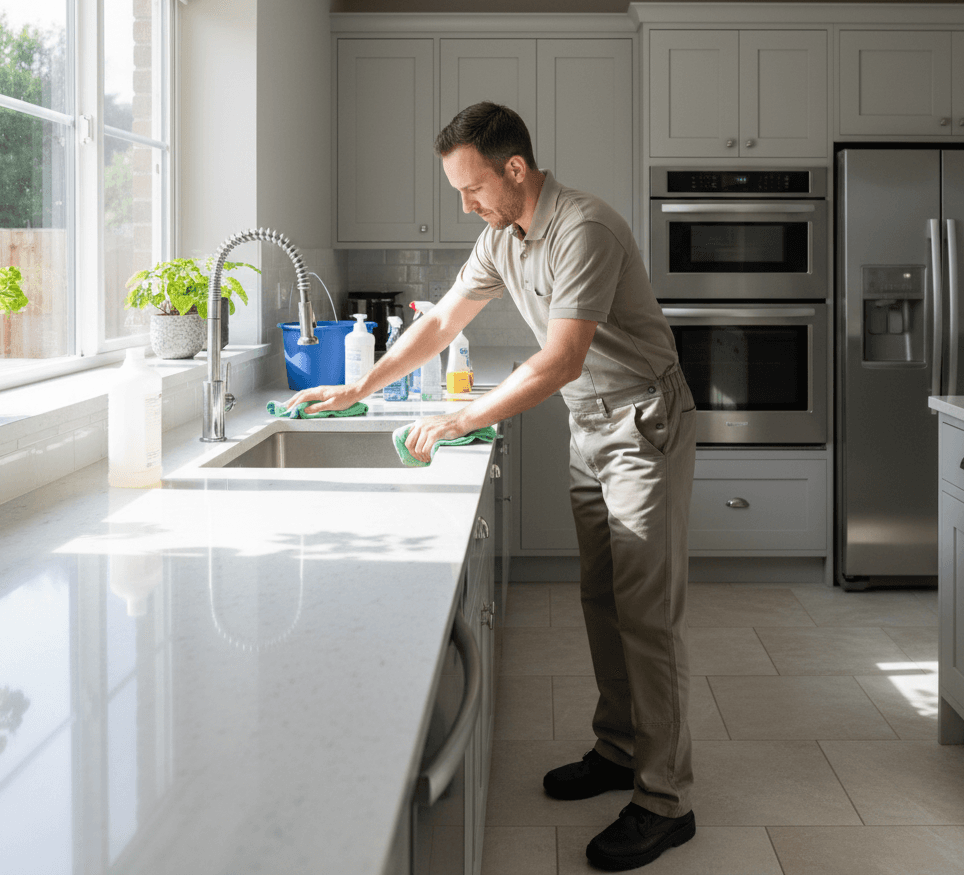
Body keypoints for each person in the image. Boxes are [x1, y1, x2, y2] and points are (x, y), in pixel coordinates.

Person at [283, 101, 697, 871]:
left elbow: (565, 357)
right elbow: (441, 321)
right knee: (603, 597)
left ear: (515, 169)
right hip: (589, 422)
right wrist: (359, 387)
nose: (465, 204)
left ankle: (665, 799)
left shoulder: (584, 229)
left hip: (642, 422)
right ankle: (619, 749)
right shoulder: (502, 236)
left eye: (472, 188)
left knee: (647, 609)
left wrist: (458, 417)